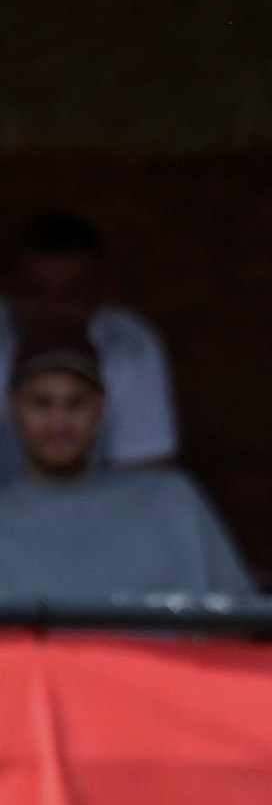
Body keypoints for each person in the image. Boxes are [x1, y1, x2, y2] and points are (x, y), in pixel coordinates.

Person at [0, 331, 252, 600]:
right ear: (12, 408)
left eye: (76, 403)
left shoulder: (169, 499)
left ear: (102, 407)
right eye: (42, 403)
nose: (59, 423)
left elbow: (236, 622)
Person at [0, 211, 177, 483]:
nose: (53, 309)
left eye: (72, 293)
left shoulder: (130, 348)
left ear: (101, 292)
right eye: (37, 292)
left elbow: (147, 485)